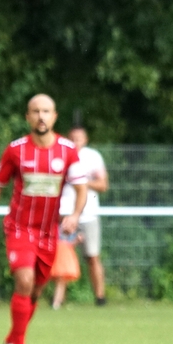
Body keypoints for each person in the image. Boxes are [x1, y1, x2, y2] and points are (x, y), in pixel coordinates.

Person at [0, 94, 87, 344]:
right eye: (35, 111)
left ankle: (12, 339)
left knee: (36, 290)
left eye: (46, 111)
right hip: (20, 228)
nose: (41, 116)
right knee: (24, 281)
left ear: (54, 116)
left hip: (49, 231)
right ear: (28, 117)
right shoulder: (16, 150)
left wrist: (74, 215)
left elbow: (82, 188)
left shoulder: (67, 151)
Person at [52, 126, 109, 308]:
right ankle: (58, 300)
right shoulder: (59, 155)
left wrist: (81, 182)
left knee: (92, 257)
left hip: (88, 215)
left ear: (85, 140)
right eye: (72, 138)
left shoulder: (93, 157)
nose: (75, 142)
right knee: (62, 255)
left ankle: (100, 297)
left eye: (79, 138)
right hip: (63, 215)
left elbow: (103, 184)